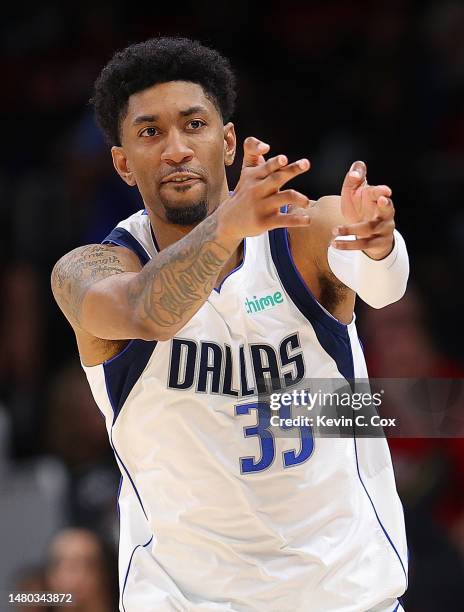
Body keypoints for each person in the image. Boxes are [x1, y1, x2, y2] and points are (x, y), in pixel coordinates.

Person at [51, 37, 410, 612]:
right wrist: (226, 229)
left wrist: (379, 242)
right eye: (150, 133)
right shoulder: (89, 271)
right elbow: (146, 311)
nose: (176, 149)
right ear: (122, 162)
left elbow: (384, 287)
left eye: (194, 124)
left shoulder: (303, 234)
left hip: (344, 596)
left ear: (227, 142)